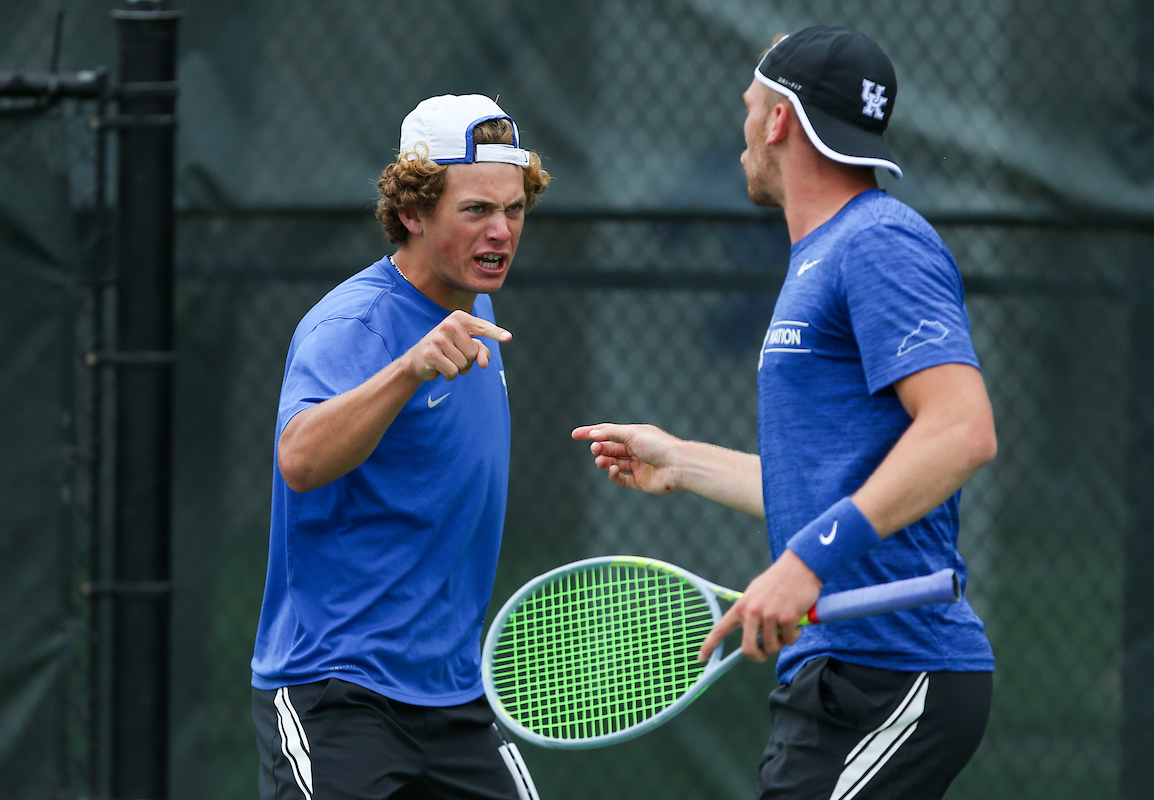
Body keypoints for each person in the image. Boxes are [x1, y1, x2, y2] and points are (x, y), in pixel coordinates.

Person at [572, 26, 996, 800]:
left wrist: (801, 565)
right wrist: (685, 461)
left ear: (777, 123)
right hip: (836, 676)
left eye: (749, 105)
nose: (741, 126)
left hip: (895, 673)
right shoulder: (819, 256)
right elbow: (831, 488)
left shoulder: (879, 242)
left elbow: (961, 431)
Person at [251, 94, 549, 800]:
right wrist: (409, 368)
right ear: (413, 212)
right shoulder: (352, 324)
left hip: (452, 697)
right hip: (338, 694)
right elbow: (299, 459)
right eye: (476, 210)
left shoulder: (476, 309)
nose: (501, 231)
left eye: (514, 209)